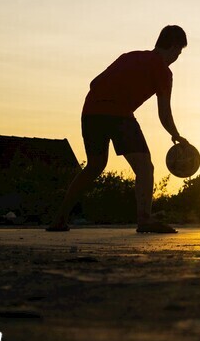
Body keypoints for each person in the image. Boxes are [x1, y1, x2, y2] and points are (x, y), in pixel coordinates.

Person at [48, 25, 189, 233]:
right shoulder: (163, 71)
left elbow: (94, 82)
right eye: (179, 52)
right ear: (175, 47)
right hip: (119, 115)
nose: (177, 57)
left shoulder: (129, 56)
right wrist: (176, 135)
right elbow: (164, 114)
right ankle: (144, 219)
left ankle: (59, 218)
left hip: (90, 112)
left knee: (95, 166)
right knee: (144, 167)